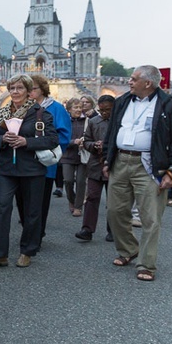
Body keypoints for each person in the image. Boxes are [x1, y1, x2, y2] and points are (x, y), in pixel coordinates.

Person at [102, 65, 172, 282]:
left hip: (149, 164)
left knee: (150, 218)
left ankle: (146, 264)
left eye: (133, 79)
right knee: (115, 211)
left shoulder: (169, 105)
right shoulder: (122, 101)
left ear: (148, 83)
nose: (129, 82)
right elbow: (111, 132)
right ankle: (129, 249)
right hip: (120, 161)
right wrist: (107, 158)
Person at [0, 74, 58, 269]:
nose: (15, 92)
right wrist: (3, 140)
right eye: (12, 88)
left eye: (19, 88)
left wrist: (27, 141)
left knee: (32, 212)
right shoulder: (2, 113)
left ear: (28, 91)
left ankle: (27, 251)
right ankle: (0, 255)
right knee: (2, 208)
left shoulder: (41, 113)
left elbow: (52, 140)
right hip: (7, 168)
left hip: (32, 169)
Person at [27, 74, 71, 245]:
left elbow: (64, 136)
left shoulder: (56, 108)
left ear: (42, 89)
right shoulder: (24, 107)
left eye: (33, 88)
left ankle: (37, 234)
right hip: (25, 161)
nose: (29, 92)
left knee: (40, 201)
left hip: (45, 163)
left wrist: (44, 146)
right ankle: (29, 231)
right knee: (25, 201)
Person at [75, 95, 115, 242]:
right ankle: (87, 229)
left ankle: (113, 230)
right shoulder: (93, 121)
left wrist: (108, 146)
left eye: (108, 110)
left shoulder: (119, 123)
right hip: (95, 166)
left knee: (113, 200)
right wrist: (94, 145)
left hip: (113, 166)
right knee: (91, 197)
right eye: (101, 110)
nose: (104, 113)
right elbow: (86, 141)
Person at [60, 98, 87, 217]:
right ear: (69, 109)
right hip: (67, 155)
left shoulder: (87, 120)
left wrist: (84, 141)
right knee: (68, 180)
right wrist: (73, 142)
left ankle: (78, 206)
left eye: (80, 107)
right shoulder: (65, 121)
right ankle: (72, 199)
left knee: (81, 181)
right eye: (75, 107)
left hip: (82, 155)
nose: (78, 110)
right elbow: (60, 137)